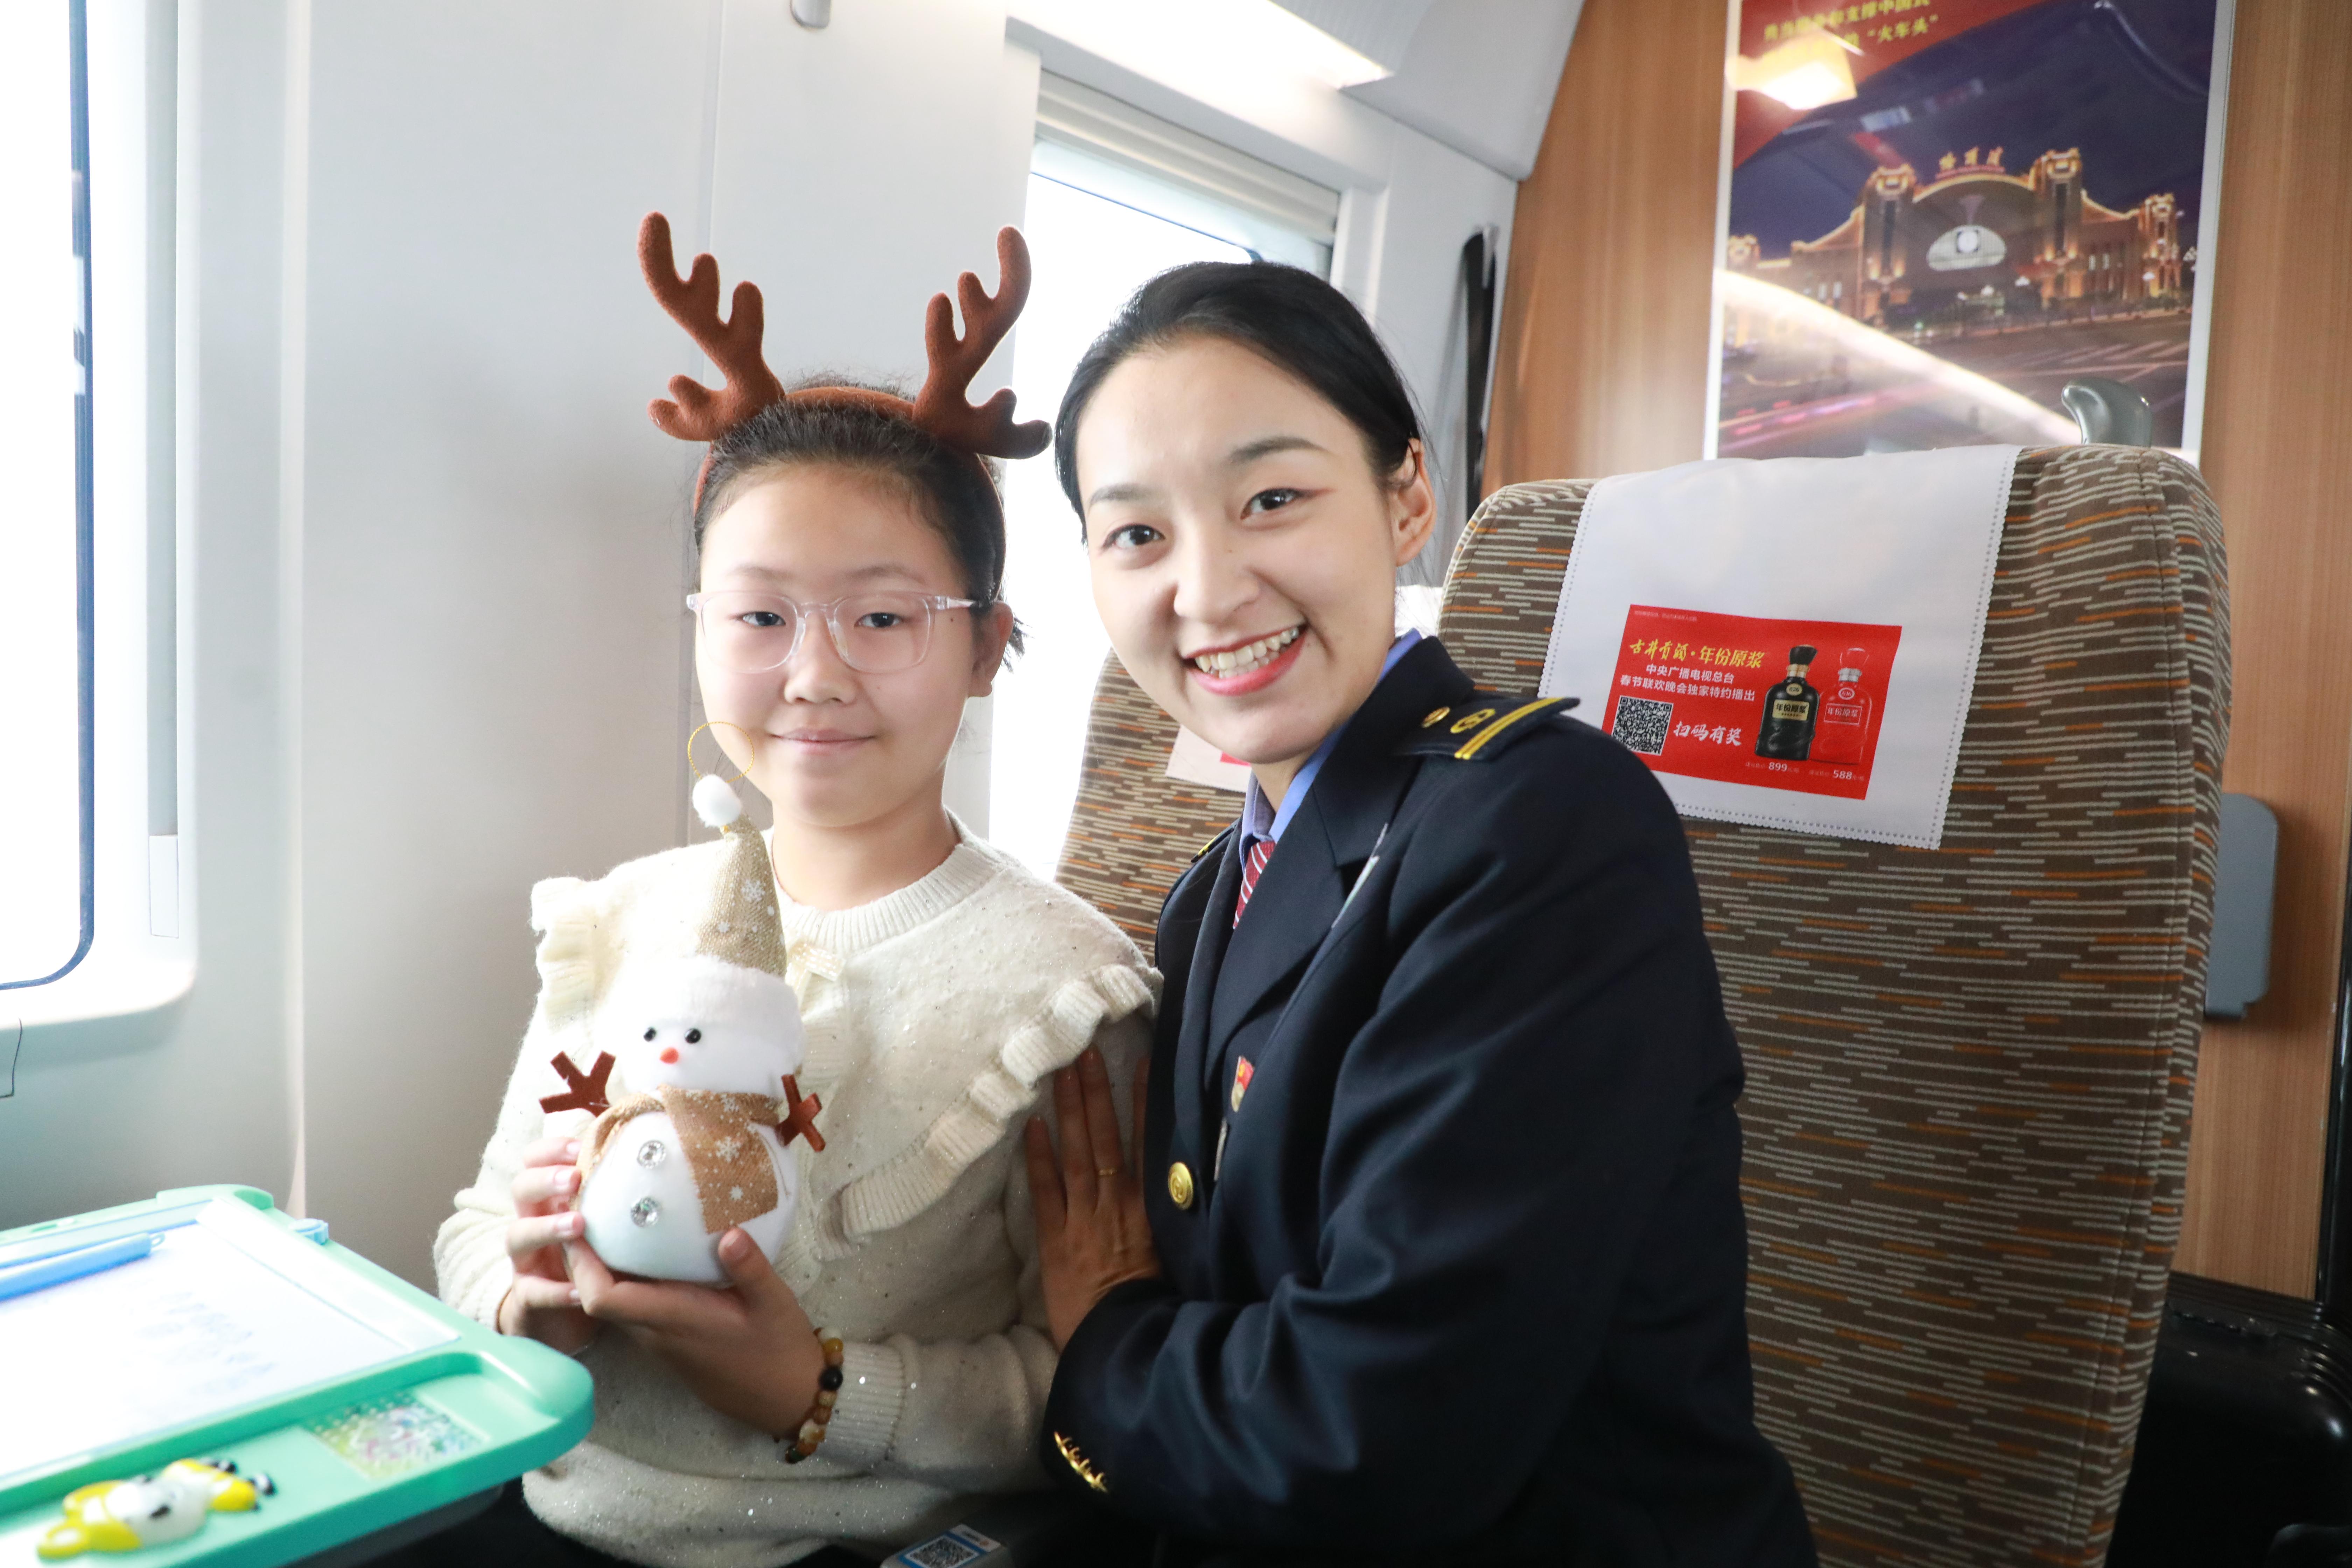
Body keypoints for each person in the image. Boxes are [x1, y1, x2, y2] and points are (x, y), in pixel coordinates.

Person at [1021, 262, 1818, 1566]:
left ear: (1406, 500)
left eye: (1272, 500)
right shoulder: (1212, 893)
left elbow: (1377, 1436)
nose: (1207, 592)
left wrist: (1101, 1346)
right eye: (1139, 535)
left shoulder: (1545, 826)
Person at [416, 220, 1157, 1568]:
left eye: (882, 619)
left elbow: (1085, 1387)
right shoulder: (618, 921)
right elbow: (478, 1222)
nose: (814, 676)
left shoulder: (1066, 994)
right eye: (760, 617)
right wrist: (526, 1306)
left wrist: (816, 1388)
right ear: (701, 630)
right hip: (552, 1512)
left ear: (987, 646)